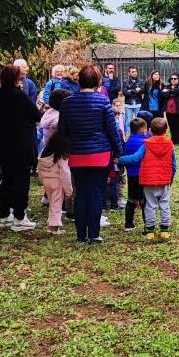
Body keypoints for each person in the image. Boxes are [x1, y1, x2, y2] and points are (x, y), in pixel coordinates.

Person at [57, 64, 123, 244]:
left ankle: (80, 235)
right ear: (97, 81)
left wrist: (68, 148)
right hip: (99, 155)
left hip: (77, 154)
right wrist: (118, 151)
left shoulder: (67, 102)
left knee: (81, 192)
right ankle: (94, 234)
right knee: (96, 193)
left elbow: (62, 130)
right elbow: (112, 130)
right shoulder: (102, 101)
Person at [0, 65, 42, 230]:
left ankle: (5, 215)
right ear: (16, 79)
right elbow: (36, 114)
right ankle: (20, 217)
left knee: (6, 180)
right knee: (21, 180)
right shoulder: (20, 96)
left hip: (3, 143)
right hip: (20, 145)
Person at [118, 117, 176, 241]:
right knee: (164, 205)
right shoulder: (170, 145)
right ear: (166, 130)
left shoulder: (146, 144)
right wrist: (170, 179)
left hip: (149, 181)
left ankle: (150, 231)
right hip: (164, 181)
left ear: (150, 130)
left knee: (150, 205)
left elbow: (135, 158)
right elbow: (173, 165)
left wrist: (120, 160)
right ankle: (164, 231)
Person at [38, 131, 72, 236]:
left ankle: (51, 224)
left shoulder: (44, 152)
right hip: (57, 181)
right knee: (56, 204)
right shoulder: (61, 156)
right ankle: (54, 227)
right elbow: (65, 173)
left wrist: (41, 180)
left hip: (46, 180)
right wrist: (69, 190)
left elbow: (39, 168)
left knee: (52, 203)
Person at [119, 116, 149, 232]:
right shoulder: (146, 141)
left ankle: (128, 224)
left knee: (131, 199)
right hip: (143, 174)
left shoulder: (128, 142)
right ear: (142, 129)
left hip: (132, 175)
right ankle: (147, 225)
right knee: (144, 200)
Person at [160, 73, 179, 145]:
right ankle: (173, 139)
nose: (173, 80)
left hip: (178, 109)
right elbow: (163, 94)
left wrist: (169, 92)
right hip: (169, 109)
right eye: (172, 79)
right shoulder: (167, 86)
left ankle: (178, 140)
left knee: (178, 125)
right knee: (171, 125)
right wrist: (171, 92)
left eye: (175, 79)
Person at [122, 66, 144, 135]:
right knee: (128, 122)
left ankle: (139, 135)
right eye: (133, 72)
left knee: (139, 122)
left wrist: (130, 90)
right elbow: (125, 93)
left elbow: (142, 91)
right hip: (128, 104)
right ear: (129, 73)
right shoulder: (125, 81)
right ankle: (129, 136)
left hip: (138, 103)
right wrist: (135, 90)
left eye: (135, 71)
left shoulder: (140, 81)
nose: (135, 73)